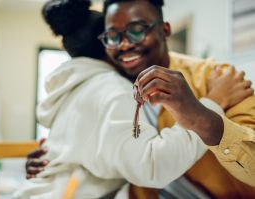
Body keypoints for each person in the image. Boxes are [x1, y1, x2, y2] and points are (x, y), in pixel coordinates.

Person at [100, 0, 255, 197]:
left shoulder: (216, 77)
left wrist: (202, 117)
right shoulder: (110, 89)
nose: (123, 44)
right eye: (113, 36)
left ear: (165, 30)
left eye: (137, 30)